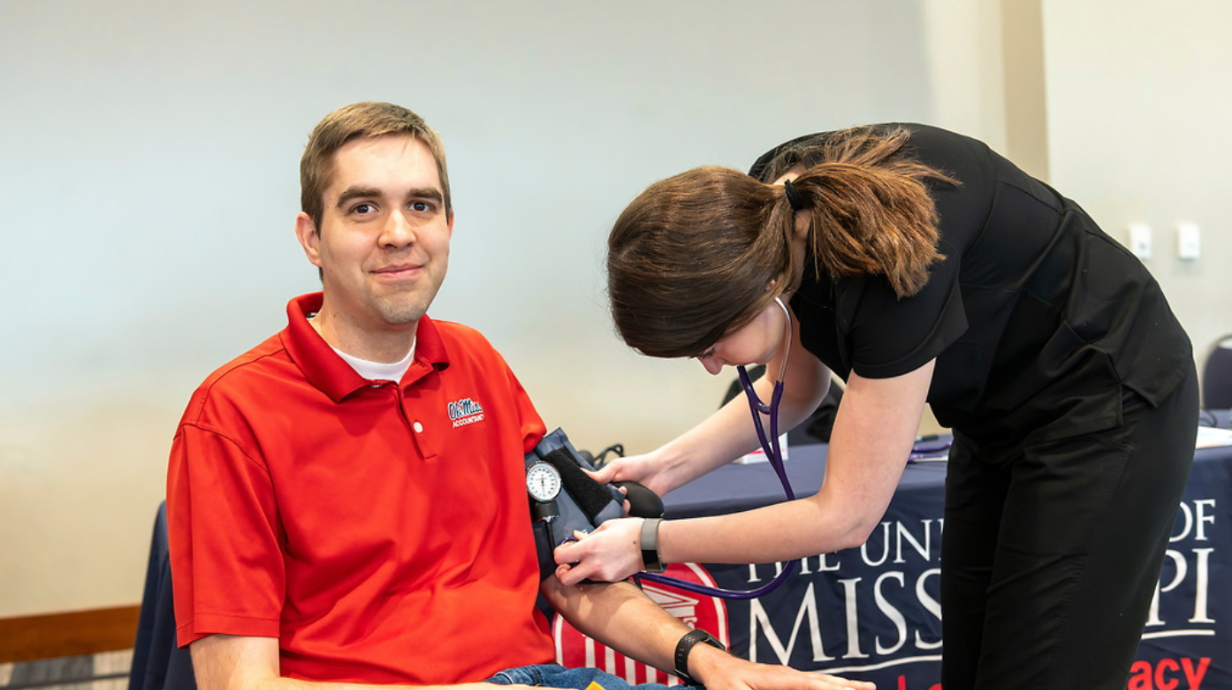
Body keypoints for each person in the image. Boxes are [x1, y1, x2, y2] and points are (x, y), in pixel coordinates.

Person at [165, 102, 873, 690]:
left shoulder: (475, 364)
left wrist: (712, 664)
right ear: (311, 238)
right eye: (361, 209)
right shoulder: (232, 416)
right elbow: (239, 685)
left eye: (422, 204)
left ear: (449, 227)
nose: (399, 233)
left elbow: (575, 574)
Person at [554, 123, 1199, 690]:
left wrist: (648, 543)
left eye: (708, 344)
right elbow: (796, 392)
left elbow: (844, 518)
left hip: (1110, 403)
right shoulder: (771, 213)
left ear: (763, 286)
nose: (713, 366)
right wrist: (663, 469)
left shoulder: (891, 271)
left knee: (1044, 668)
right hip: (998, 420)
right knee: (976, 663)